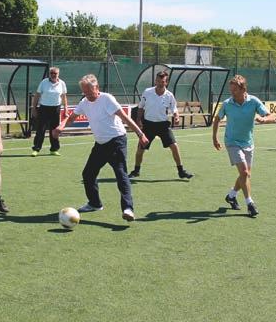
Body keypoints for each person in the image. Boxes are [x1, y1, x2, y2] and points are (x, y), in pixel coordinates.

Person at [53, 74, 149, 222]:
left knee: (120, 174)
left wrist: (140, 134)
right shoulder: (84, 102)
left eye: (89, 92)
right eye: (84, 92)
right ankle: (94, 203)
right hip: (100, 144)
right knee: (88, 174)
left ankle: (128, 208)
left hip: (116, 141)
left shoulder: (107, 99)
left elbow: (125, 117)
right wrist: (61, 126)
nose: (87, 95)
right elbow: (71, 117)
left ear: (96, 87)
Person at [212, 75, 275, 216]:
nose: (232, 93)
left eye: (235, 90)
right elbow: (217, 119)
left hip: (248, 142)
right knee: (245, 172)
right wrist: (214, 138)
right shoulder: (227, 103)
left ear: (243, 89)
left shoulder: (254, 101)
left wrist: (264, 119)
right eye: (231, 90)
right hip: (232, 142)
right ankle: (250, 204)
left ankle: (231, 195)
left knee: (245, 175)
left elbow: (272, 116)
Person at [128, 70, 193, 179]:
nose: (160, 83)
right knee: (140, 149)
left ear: (166, 83)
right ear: (155, 81)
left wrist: (176, 116)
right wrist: (139, 120)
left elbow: (174, 108)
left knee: (174, 147)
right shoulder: (147, 92)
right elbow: (140, 107)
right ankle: (136, 171)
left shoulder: (169, 95)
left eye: (162, 81)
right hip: (148, 125)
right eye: (158, 80)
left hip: (163, 126)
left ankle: (181, 171)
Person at [31, 67, 67, 156]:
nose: (53, 75)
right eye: (51, 73)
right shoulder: (44, 82)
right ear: (49, 74)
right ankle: (36, 149)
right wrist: (34, 108)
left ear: (58, 74)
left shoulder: (62, 83)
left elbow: (64, 97)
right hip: (44, 109)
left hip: (56, 109)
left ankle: (54, 149)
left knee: (55, 130)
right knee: (41, 130)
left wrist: (66, 108)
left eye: (55, 73)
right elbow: (37, 95)